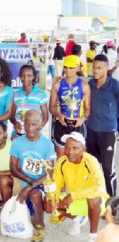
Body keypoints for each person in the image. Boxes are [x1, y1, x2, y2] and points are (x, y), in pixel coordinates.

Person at [44, 132, 108, 242]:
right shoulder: (62, 162)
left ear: (83, 149)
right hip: (75, 199)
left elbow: (99, 186)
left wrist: (73, 195)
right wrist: (52, 199)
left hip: (96, 200)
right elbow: (57, 184)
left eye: (75, 148)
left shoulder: (91, 161)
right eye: (67, 147)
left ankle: (93, 236)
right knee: (48, 205)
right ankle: (79, 218)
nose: (70, 152)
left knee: (93, 199)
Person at [10, 110, 56, 242]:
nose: (30, 128)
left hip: (42, 185)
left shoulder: (48, 145)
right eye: (27, 124)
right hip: (27, 181)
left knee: (35, 195)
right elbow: (13, 168)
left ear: (41, 124)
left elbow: (49, 173)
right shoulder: (17, 142)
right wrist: (29, 184)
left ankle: (41, 227)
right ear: (23, 124)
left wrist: (29, 188)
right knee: (30, 220)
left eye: (34, 124)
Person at [87, 54, 119, 197]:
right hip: (91, 131)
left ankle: (112, 203)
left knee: (108, 168)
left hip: (108, 133)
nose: (95, 71)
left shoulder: (115, 85)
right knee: (91, 167)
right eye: (94, 67)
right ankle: (94, 199)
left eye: (99, 68)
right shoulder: (91, 84)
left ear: (107, 68)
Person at [49, 55, 90, 158]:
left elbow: (88, 108)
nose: (68, 70)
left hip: (78, 125)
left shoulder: (84, 86)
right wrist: (59, 114)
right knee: (61, 159)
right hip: (61, 125)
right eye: (66, 67)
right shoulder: (57, 85)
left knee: (78, 159)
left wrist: (82, 119)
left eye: (71, 67)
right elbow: (51, 107)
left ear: (77, 67)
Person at [11, 65, 49, 138]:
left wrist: (38, 127)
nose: (25, 78)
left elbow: (45, 115)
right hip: (18, 132)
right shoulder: (15, 94)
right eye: (23, 75)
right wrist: (16, 123)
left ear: (33, 76)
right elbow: (12, 115)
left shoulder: (41, 94)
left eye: (29, 76)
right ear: (19, 77)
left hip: (35, 133)